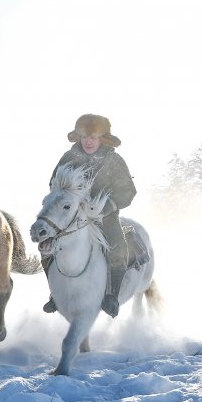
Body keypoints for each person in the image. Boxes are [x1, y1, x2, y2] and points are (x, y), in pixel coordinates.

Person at [42, 114, 137, 318]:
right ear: (79, 137)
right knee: (46, 242)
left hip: (104, 216)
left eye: (93, 137)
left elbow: (129, 192)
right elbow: (53, 183)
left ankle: (111, 296)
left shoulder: (113, 160)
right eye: (84, 137)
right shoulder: (69, 157)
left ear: (102, 138)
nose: (88, 142)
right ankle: (55, 293)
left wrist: (107, 206)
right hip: (70, 216)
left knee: (117, 245)